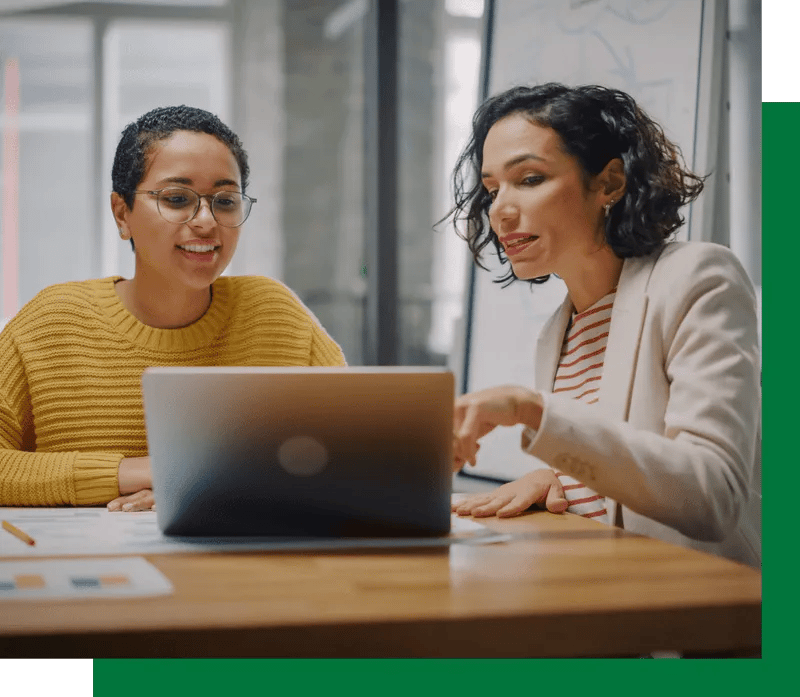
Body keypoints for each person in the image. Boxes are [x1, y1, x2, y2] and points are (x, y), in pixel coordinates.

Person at [448, 83, 761, 566]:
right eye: (492, 190)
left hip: (697, 617)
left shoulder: (699, 278)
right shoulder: (558, 332)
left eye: (529, 179)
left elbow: (710, 496)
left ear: (610, 184)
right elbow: (619, 476)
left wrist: (534, 412)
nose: (500, 212)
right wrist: (560, 480)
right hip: (603, 593)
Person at [0, 105, 346, 513]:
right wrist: (154, 471)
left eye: (226, 201)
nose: (206, 221)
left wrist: (216, 484)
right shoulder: (51, 323)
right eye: (177, 198)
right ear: (122, 212)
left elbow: (352, 453)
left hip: (246, 562)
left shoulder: (277, 315)